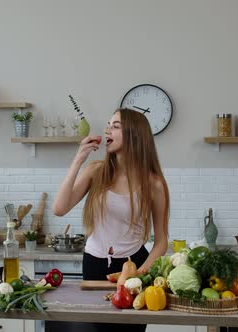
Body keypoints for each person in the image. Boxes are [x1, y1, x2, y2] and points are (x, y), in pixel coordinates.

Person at [50, 108, 170, 332]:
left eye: (116, 126)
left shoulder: (154, 184)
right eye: (108, 125)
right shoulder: (96, 171)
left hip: (134, 264)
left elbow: (161, 241)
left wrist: (139, 274)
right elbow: (59, 208)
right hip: (94, 264)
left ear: (135, 134)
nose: (107, 130)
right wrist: (79, 159)